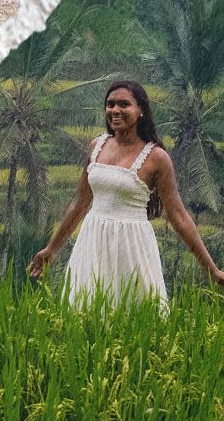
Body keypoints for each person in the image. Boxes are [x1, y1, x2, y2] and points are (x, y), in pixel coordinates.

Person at [29, 80, 224, 305]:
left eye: (124, 104)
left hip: (132, 245)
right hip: (93, 241)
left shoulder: (157, 158)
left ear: (141, 110)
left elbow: (178, 216)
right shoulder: (97, 146)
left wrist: (212, 269)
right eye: (110, 104)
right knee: (86, 311)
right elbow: (80, 204)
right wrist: (52, 250)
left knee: (134, 312)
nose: (115, 110)